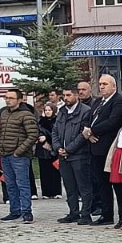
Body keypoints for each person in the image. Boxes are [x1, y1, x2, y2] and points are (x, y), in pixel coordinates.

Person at [0, 88, 40, 223]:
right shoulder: (4, 113)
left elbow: (33, 135)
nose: (8, 100)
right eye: (6, 97)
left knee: (22, 184)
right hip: (5, 154)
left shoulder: (26, 114)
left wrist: (19, 151)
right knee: (10, 184)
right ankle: (14, 210)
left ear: (19, 100)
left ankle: (27, 212)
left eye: (11, 98)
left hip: (19, 155)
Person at [85, 75, 122, 225]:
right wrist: (87, 132)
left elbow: (113, 121)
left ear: (114, 86)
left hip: (110, 147)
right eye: (100, 84)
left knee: (117, 184)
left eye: (105, 84)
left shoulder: (119, 101)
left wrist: (92, 131)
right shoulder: (97, 102)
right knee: (102, 184)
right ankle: (106, 214)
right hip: (95, 148)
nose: (101, 87)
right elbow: (88, 119)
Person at [52, 86, 95, 225]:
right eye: (64, 95)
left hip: (79, 155)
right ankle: (73, 212)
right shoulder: (62, 111)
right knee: (69, 186)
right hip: (63, 156)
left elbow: (83, 135)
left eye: (69, 95)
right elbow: (55, 131)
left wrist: (69, 149)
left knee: (83, 187)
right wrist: (58, 147)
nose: (66, 98)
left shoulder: (85, 111)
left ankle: (86, 213)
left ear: (76, 96)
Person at [35, 101, 62, 199]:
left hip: (54, 148)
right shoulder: (40, 122)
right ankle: (46, 192)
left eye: (49, 110)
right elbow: (36, 132)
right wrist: (41, 138)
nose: (47, 112)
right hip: (43, 150)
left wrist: (47, 139)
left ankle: (57, 191)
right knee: (44, 172)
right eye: (46, 110)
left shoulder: (57, 121)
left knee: (55, 171)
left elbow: (57, 135)